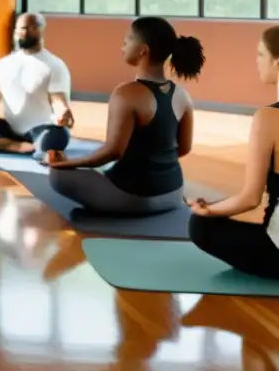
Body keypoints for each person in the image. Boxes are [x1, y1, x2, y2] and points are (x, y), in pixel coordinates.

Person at [44, 17, 204, 215]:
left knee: (57, 175)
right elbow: (184, 148)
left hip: (136, 198)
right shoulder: (182, 95)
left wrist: (66, 164)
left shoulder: (126, 93)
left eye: (127, 40)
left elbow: (113, 152)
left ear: (142, 50)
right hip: (174, 192)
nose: (122, 46)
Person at [186, 26, 279, 279]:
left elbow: (250, 199)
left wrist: (209, 211)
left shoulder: (269, 118)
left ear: (277, 62)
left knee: (201, 225)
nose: (256, 61)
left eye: (260, 55)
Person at [0, 12, 73, 157]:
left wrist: (63, 112)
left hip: (40, 130)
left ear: (40, 29)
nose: (23, 33)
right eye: (20, 29)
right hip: (9, 130)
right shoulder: (4, 64)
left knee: (59, 134)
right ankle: (10, 144)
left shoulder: (54, 65)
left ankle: (32, 146)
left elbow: (58, 99)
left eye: (29, 28)